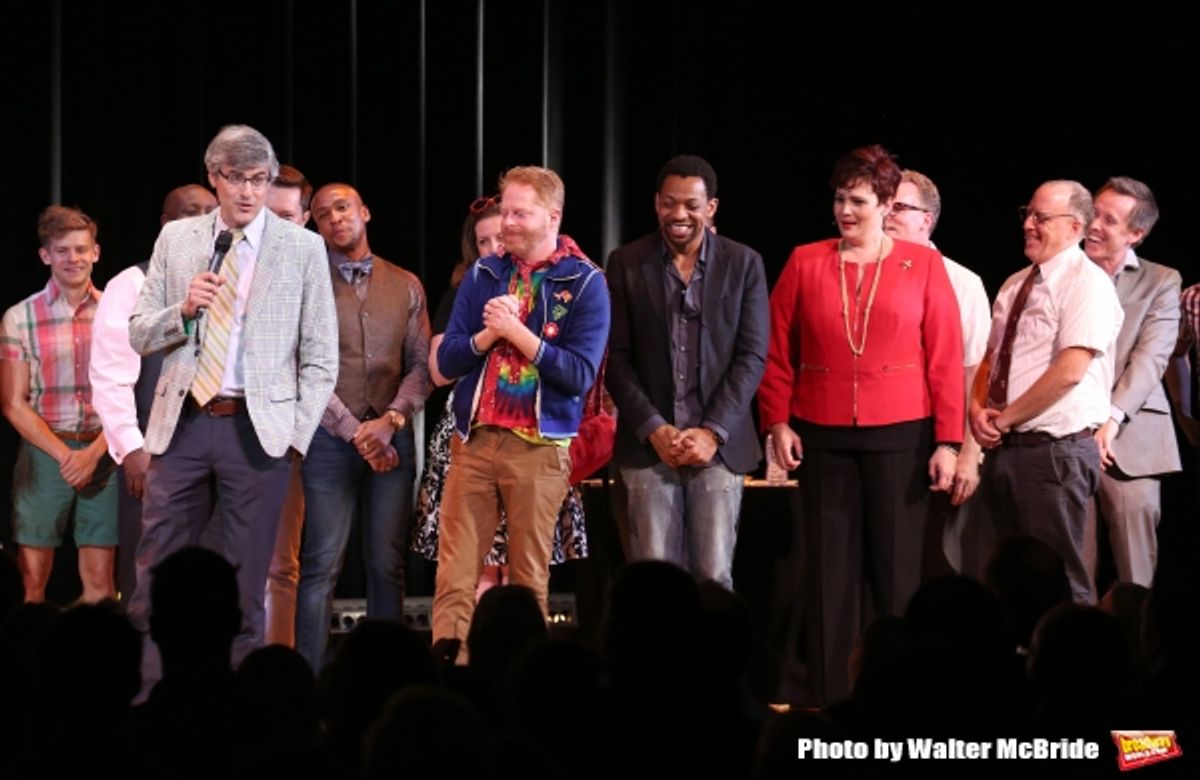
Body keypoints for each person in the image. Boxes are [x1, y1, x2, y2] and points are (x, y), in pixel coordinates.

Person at [757, 144, 964, 705]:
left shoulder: (922, 265)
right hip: (822, 433)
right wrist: (776, 420)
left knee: (896, 576)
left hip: (902, 432)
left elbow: (944, 356)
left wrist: (949, 440)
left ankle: (897, 700)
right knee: (828, 576)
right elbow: (776, 352)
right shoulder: (805, 260)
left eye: (858, 200)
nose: (845, 211)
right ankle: (830, 702)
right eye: (839, 199)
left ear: (886, 203)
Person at [127, 124, 338, 668]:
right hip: (184, 425)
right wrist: (183, 312)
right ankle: (152, 696)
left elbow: (321, 358)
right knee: (156, 574)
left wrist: (292, 438)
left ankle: (238, 709)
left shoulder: (303, 248)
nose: (248, 191)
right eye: (236, 178)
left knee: (248, 584)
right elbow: (139, 331)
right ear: (213, 178)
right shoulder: (179, 240)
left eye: (259, 179)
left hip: (258, 432)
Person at [432, 166, 609, 656]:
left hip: (539, 448)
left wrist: (519, 336)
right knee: (455, 575)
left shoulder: (587, 281)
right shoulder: (484, 273)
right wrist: (489, 335)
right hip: (475, 442)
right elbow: (447, 362)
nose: (506, 222)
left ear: (552, 216)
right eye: (504, 210)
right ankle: (453, 677)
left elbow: (578, 374)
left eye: (518, 212)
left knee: (529, 579)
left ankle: (517, 682)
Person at [606, 154, 768, 589]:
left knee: (713, 579)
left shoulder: (744, 263)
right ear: (656, 203)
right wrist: (654, 428)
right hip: (648, 449)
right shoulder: (625, 262)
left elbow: (752, 356)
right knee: (653, 584)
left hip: (718, 450)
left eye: (692, 205)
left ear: (711, 207)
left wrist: (711, 432)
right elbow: (615, 359)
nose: (680, 215)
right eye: (670, 203)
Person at [412, 197, 589, 595]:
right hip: (472, 434)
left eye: (500, 237)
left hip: (534, 434)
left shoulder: (553, 287)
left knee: (525, 568)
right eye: (483, 241)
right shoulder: (465, 292)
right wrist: (489, 332)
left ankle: (519, 650)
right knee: (478, 569)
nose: (494, 247)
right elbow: (439, 370)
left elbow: (576, 366)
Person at [294, 182, 432, 671]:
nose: (335, 218)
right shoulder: (307, 284)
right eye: (323, 213)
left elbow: (421, 365)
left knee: (386, 565)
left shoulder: (406, 283)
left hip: (393, 439)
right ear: (315, 224)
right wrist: (356, 430)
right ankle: (305, 679)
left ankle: (385, 676)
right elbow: (304, 367)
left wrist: (391, 420)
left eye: (343, 207)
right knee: (320, 566)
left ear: (365, 212)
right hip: (330, 441)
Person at [970, 180, 1123, 605]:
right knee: (1003, 586)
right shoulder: (1015, 283)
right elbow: (990, 359)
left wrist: (1002, 418)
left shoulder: (1086, 283)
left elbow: (1070, 371)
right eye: (1028, 213)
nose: (1029, 224)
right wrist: (977, 408)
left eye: (1041, 217)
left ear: (1076, 227)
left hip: (1053, 456)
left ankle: (1075, 669)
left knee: (1063, 583)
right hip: (1005, 450)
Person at [90, 185, 218, 602]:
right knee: (149, 573)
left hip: (224, 450)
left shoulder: (237, 284)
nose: (201, 222)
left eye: (210, 213)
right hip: (156, 449)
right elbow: (111, 375)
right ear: (166, 225)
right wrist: (131, 449)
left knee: (216, 574)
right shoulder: (131, 283)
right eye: (189, 213)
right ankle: (146, 664)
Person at [1, 206, 117, 603]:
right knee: (32, 582)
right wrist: (67, 456)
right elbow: (13, 403)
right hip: (45, 454)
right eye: (63, 250)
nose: (74, 259)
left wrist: (94, 453)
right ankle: (28, 660)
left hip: (104, 454)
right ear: (46, 255)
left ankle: (94, 662)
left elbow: (130, 394)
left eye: (81, 249)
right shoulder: (19, 317)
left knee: (101, 582)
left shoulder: (116, 313)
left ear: (96, 252)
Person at [882, 169, 991, 576]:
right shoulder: (869, 274)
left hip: (940, 443)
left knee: (936, 560)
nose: (886, 215)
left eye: (899, 207)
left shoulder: (962, 282)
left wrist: (968, 453)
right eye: (884, 206)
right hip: (890, 438)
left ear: (926, 220)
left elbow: (975, 373)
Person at [1082, 177, 1181, 588]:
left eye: (1110, 219)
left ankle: (1145, 650)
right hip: (1065, 435)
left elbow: (1151, 358)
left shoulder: (1161, 281)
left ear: (1135, 235)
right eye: (1093, 213)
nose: (1094, 225)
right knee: (1072, 569)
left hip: (1131, 440)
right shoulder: (1061, 271)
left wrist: (1111, 419)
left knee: (1135, 576)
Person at [261, 163, 313, 648]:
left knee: (282, 564)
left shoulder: (315, 269)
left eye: (285, 214)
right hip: (221, 434)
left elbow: (322, 363)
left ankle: (275, 675)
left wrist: (295, 435)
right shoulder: (233, 265)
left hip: (286, 439)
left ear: (304, 217)